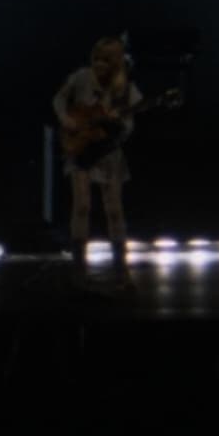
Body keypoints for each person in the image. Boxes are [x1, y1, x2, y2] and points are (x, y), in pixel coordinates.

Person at [53, 36, 146, 291]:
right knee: (82, 205)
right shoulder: (81, 78)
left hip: (108, 152)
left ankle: (120, 270)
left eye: (105, 60)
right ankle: (79, 271)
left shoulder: (125, 88)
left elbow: (128, 126)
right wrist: (67, 119)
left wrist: (117, 125)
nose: (99, 65)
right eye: (96, 59)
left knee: (114, 208)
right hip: (82, 149)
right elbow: (59, 99)